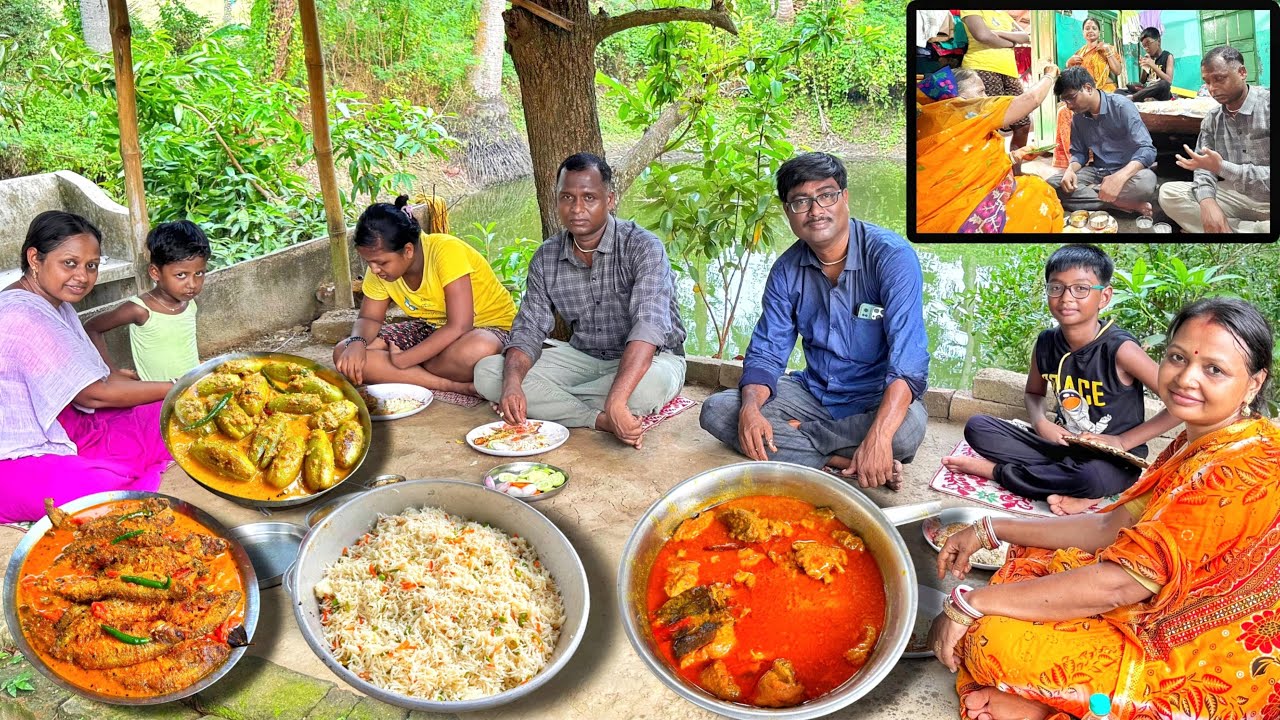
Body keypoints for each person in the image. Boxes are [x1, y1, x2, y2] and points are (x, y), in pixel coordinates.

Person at [928, 297, 1279, 720]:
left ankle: (1046, 704)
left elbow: (1119, 586)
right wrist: (991, 527)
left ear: (1254, 383)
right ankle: (1042, 695)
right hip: (1153, 596)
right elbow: (1110, 526)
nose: (1186, 378)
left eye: (1214, 370)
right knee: (1032, 555)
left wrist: (972, 604)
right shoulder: (1200, 439)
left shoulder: (1237, 469)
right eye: (1177, 357)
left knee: (988, 639)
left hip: (1202, 648)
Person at [699, 152, 929, 488]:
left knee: (905, 434)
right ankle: (842, 460)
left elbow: (908, 362)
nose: (816, 210)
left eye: (826, 195)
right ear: (787, 212)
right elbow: (767, 353)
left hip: (874, 396)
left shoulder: (891, 258)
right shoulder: (786, 270)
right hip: (814, 392)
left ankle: (815, 446)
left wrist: (879, 435)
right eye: (801, 201)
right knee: (719, 411)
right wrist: (751, 409)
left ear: (845, 198)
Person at [942, 244, 1180, 515]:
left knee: (1092, 478)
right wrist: (1041, 422)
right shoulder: (1046, 343)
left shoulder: (1120, 350)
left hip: (1112, 459)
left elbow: (1178, 405)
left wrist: (1123, 442)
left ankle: (999, 473)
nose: (1067, 298)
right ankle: (1073, 488)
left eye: (1081, 289)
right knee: (977, 427)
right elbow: (1033, 393)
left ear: (1104, 297)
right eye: (1056, 287)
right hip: (1060, 445)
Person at [473, 153, 686, 448]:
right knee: (487, 373)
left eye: (589, 198)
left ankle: (575, 403)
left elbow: (648, 326)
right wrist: (511, 385)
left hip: (654, 359)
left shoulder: (642, 246)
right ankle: (598, 418)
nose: (577, 209)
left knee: (646, 390)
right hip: (583, 357)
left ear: (609, 199)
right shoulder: (547, 257)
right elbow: (529, 330)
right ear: (557, 200)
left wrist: (618, 396)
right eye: (567, 197)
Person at [0, 212, 175, 524]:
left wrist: (166, 392)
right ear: (35, 259)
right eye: (70, 263)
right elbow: (93, 394)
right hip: (15, 453)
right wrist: (177, 384)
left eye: (91, 265)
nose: (82, 275)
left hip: (66, 423)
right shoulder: (20, 314)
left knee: (172, 414)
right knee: (103, 490)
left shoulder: (55, 303)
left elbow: (87, 379)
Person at [333, 195, 517, 394]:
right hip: (433, 330)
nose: (374, 270)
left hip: (490, 329)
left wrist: (406, 359)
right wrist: (357, 343)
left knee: (479, 348)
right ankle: (449, 385)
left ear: (408, 250)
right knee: (344, 352)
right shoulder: (379, 270)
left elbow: (461, 325)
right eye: (369, 263)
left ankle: (410, 372)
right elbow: (369, 317)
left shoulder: (446, 251)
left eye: (381, 262)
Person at [916, 66, 1064, 233]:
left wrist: (1015, 156)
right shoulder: (968, 111)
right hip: (963, 211)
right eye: (981, 91)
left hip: (928, 211)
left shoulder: (931, 118)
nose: (986, 98)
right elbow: (1031, 99)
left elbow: (966, 164)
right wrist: (1050, 75)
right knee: (1038, 190)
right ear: (959, 97)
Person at [1157, 46, 1270, 234]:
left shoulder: (1267, 106)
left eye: (1219, 78)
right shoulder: (1212, 119)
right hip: (1235, 195)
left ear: (1242, 72)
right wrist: (1208, 202)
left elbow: (1216, 167)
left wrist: (1222, 168)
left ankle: (1237, 228)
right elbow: (1203, 168)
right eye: (1206, 82)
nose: (1212, 88)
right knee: (1169, 193)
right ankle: (1247, 229)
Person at [85, 220, 210, 382]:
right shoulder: (141, 310)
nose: (192, 284)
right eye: (181, 275)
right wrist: (111, 371)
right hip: (155, 397)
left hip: (192, 387)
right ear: (155, 273)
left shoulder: (189, 303)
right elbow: (91, 327)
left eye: (199, 273)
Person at [1046, 66, 1158, 216]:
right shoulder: (1078, 117)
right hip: (1098, 171)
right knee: (1052, 185)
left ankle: (1094, 194)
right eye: (1065, 101)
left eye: (1071, 97)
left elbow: (1147, 149)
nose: (1069, 106)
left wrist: (1120, 177)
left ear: (1088, 88)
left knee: (1146, 183)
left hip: (1127, 171)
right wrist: (1070, 170)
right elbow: (1079, 153)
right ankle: (1119, 203)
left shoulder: (1122, 106)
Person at [1053, 18, 1123, 168]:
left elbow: (1117, 71)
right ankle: (1073, 158)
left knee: (1085, 111)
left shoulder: (1106, 48)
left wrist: (1109, 52)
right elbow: (1071, 79)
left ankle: (1093, 157)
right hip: (1083, 92)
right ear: (1083, 33)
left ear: (1098, 32)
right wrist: (1068, 64)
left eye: (1094, 28)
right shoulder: (1079, 53)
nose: (1090, 30)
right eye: (1087, 28)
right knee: (1063, 112)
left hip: (1104, 90)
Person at [959, 10, 1033, 150]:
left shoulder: (1004, 14)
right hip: (981, 68)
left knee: (1023, 124)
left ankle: (1015, 169)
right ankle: (992, 169)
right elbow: (982, 35)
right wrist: (1011, 43)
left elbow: (1024, 37)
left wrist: (997, 33)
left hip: (1010, 72)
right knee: (990, 126)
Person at [1117, 27, 1174, 103]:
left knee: (1164, 84)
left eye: (1148, 44)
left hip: (1161, 92)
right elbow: (1142, 82)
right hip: (1148, 91)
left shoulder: (1168, 56)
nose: (1146, 48)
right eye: (1144, 46)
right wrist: (1145, 69)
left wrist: (1153, 66)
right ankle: (1143, 97)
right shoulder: (1148, 58)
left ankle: (1134, 98)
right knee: (1119, 91)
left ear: (1159, 41)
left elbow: (1169, 81)